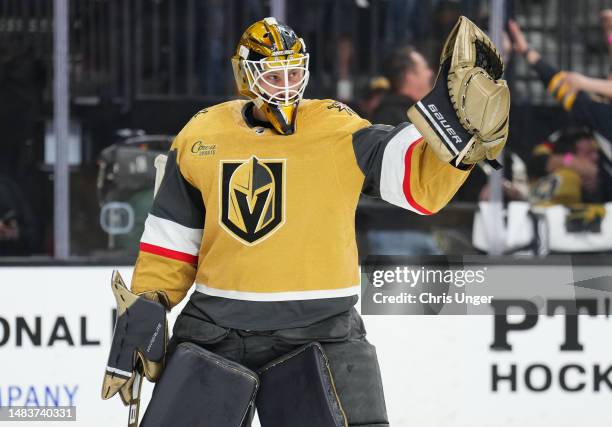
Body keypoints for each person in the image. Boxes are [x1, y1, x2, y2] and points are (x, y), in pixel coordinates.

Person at [102, 16, 509, 426]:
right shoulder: (200, 135)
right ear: (244, 74)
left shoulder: (335, 127)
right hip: (217, 330)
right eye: (273, 75)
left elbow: (414, 181)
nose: (286, 84)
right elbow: (171, 239)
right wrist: (149, 301)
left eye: (293, 72)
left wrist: (457, 140)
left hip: (322, 329)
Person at [508, 19, 612, 203]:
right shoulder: (579, 127)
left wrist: (585, 82)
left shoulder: (601, 115)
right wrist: (571, 161)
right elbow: (537, 162)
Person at [370, 46, 433, 125]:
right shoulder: (390, 117)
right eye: (425, 68)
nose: (430, 74)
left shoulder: (418, 112)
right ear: (409, 76)